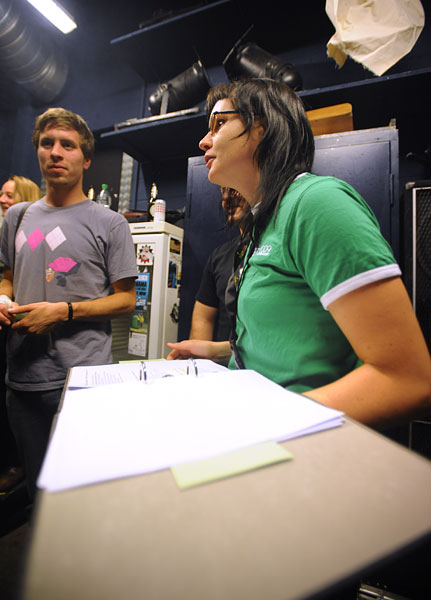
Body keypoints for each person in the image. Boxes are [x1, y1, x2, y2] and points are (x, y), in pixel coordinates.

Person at [167, 78, 431, 429]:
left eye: (219, 124)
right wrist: (217, 350)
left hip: (298, 437)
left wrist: (267, 422)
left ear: (261, 128)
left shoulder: (317, 203)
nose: (204, 141)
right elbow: (293, 340)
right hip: (252, 418)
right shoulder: (262, 224)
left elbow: (408, 379)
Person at [0, 107, 137, 500]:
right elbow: (8, 277)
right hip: (23, 380)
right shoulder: (17, 217)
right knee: (38, 494)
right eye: (47, 143)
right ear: (38, 151)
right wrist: (3, 297)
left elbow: (126, 300)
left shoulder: (110, 223)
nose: (56, 152)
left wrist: (64, 312)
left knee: (83, 495)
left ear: (86, 158)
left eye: (68, 145)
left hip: (83, 381)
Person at [0, 175, 43, 492]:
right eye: (1, 194)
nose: (3, 200)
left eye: (9, 195)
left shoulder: (33, 232)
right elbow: (7, 279)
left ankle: (16, 466)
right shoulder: (7, 232)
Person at [190, 187, 250, 342]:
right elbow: (203, 319)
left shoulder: (280, 245)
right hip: (225, 357)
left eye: (235, 189)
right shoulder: (219, 256)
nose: (227, 199)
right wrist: (198, 354)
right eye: (223, 191)